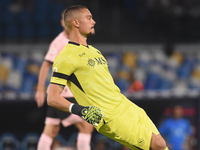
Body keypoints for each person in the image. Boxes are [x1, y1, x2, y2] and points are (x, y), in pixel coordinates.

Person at [47, 5, 168, 150]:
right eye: (89, 18)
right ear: (76, 23)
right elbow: (52, 97)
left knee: (162, 145)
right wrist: (80, 110)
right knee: (158, 145)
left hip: (127, 106)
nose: (94, 22)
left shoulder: (94, 51)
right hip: (110, 116)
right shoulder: (66, 57)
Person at [35, 9, 94, 150]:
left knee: (51, 129)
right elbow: (45, 65)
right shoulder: (60, 41)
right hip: (64, 93)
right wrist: (39, 90)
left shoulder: (76, 41)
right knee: (86, 125)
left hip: (61, 92)